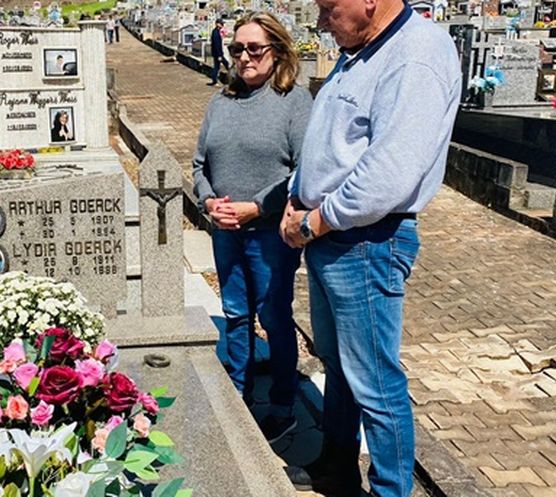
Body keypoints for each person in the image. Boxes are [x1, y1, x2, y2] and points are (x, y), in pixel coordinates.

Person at [280, 0, 461, 494]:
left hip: (365, 239)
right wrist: (297, 194)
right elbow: (330, 142)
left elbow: (389, 172)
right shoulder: (361, 50)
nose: (320, 21)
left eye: (327, 8)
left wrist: (314, 222)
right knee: (339, 366)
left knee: (376, 381)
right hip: (332, 235)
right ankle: (336, 465)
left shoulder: (416, 54)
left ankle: (389, 489)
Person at [192, 12, 312, 444]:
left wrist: (257, 208)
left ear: (277, 51)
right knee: (236, 314)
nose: (244, 57)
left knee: (273, 317)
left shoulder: (294, 102)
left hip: (269, 234)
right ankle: (239, 395)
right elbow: (199, 165)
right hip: (226, 229)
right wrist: (209, 201)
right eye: (237, 48)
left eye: (254, 48)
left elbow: (303, 171)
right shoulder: (221, 103)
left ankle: (282, 406)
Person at [208, 18, 229, 86]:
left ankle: (215, 80)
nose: (222, 25)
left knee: (220, 65)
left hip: (217, 53)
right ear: (217, 24)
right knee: (219, 66)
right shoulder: (216, 32)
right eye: (221, 24)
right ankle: (215, 80)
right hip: (218, 53)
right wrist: (219, 55)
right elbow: (217, 44)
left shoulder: (216, 31)